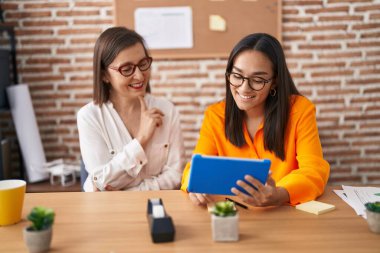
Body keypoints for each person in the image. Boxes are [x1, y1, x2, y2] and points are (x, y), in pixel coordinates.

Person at [181, 33, 330, 207]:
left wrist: (280, 194)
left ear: (274, 82)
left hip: (284, 214)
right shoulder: (215, 115)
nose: (244, 88)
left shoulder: (300, 110)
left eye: (258, 79)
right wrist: (195, 187)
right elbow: (196, 169)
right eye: (237, 76)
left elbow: (314, 170)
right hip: (234, 214)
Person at [77, 27, 185, 192]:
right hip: (111, 213)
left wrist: (128, 193)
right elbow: (100, 182)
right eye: (127, 69)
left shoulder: (167, 110)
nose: (140, 76)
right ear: (104, 75)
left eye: (143, 64)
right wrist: (141, 139)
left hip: (159, 207)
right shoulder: (89, 116)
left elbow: (175, 176)